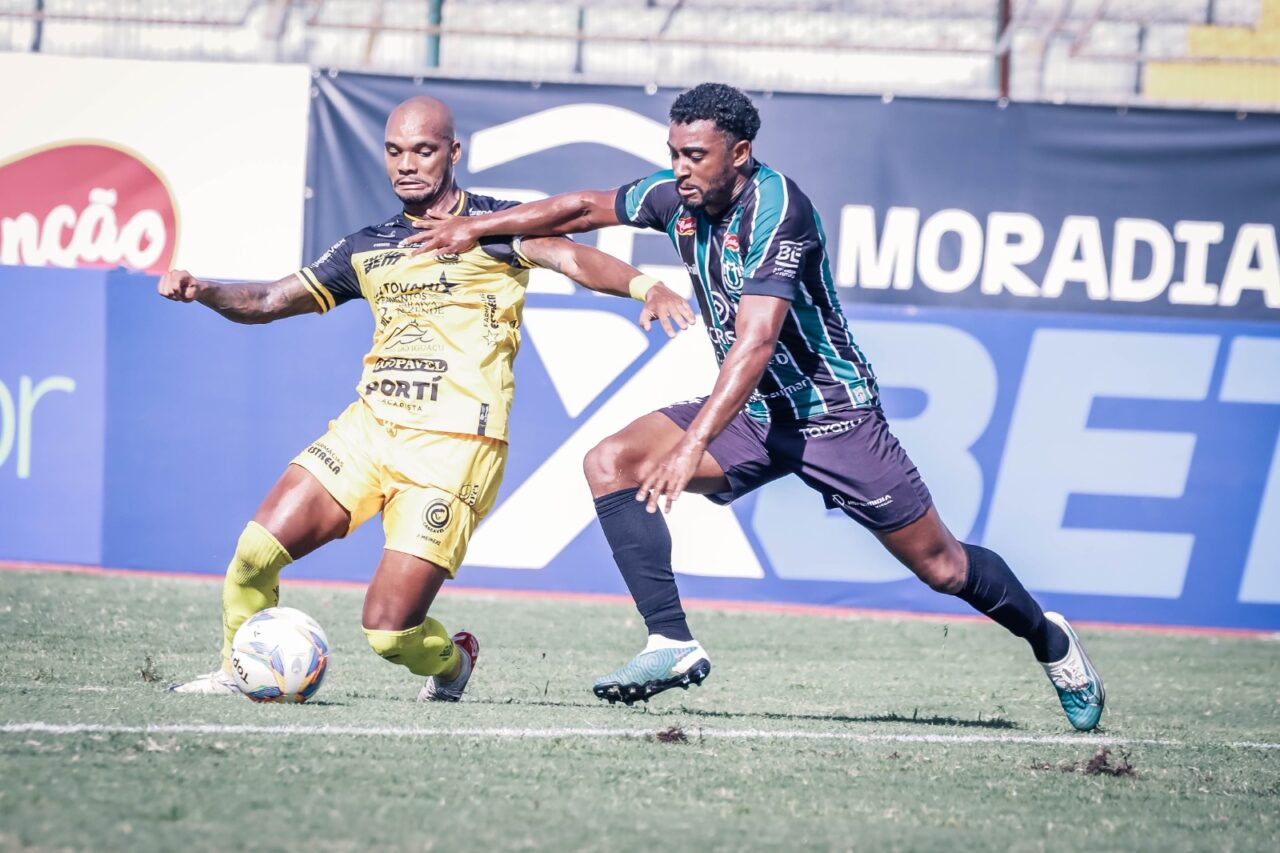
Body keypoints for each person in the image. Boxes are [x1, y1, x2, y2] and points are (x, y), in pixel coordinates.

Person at [401, 83, 1106, 730]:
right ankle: (670, 640)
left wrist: (689, 445)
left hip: (833, 415)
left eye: (696, 155)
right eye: (673, 153)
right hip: (755, 415)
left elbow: (757, 341)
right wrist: (478, 228)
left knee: (945, 567)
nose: (680, 168)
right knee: (610, 461)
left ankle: (1050, 639)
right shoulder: (674, 197)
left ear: (740, 154)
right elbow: (584, 206)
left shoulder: (780, 210)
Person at [162, 95, 695, 702]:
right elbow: (267, 302)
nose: (407, 164)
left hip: (455, 451)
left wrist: (644, 285)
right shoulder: (366, 246)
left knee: (389, 635)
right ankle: (239, 671)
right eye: (395, 151)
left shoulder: (493, 228)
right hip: (369, 432)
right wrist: (204, 290)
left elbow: (572, 255)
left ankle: (453, 662)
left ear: (453, 152)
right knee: (253, 557)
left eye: (423, 150)